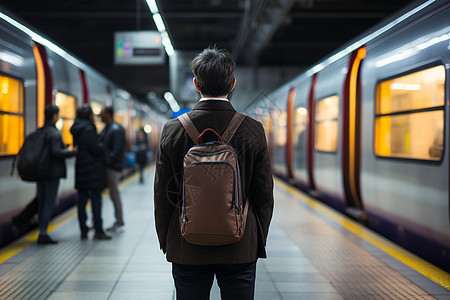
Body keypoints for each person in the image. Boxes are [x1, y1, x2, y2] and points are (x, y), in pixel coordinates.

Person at [154, 46, 274, 300]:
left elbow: (163, 194)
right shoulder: (253, 129)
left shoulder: (172, 130)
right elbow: (263, 193)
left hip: (186, 244)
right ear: (232, 84)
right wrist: (255, 236)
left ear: (196, 84)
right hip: (240, 246)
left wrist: (168, 240)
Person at [70, 106, 111, 241]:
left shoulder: (76, 128)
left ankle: (83, 230)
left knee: (81, 202)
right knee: (96, 201)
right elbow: (95, 148)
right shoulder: (89, 128)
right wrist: (102, 146)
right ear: (89, 116)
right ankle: (98, 230)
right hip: (92, 170)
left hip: (81, 169)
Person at [37, 105, 76, 244]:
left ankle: (41, 230)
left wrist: (61, 147)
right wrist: (73, 152)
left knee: (41, 202)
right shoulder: (54, 133)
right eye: (57, 115)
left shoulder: (41, 130)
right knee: (48, 203)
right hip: (51, 173)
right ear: (54, 116)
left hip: (40, 172)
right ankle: (43, 233)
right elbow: (56, 153)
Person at [99, 106, 127, 232]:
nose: (100, 116)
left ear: (108, 115)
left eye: (102, 114)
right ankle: (117, 220)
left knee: (114, 194)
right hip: (110, 166)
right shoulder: (109, 128)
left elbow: (116, 151)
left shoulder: (114, 130)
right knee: (112, 194)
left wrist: (107, 161)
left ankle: (119, 220)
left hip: (112, 167)